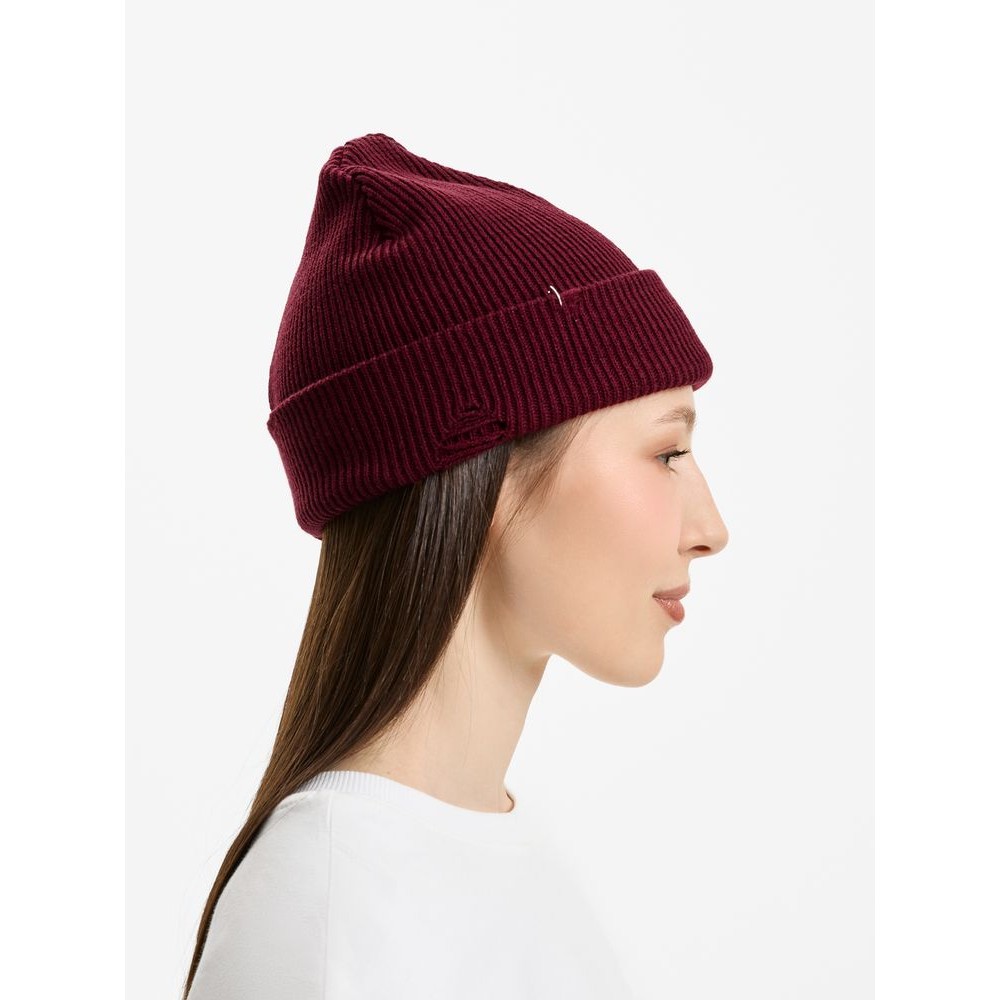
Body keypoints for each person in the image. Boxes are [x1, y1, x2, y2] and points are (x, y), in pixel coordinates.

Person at [182, 132, 729, 999]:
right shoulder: (332, 910)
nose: (711, 529)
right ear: (488, 470)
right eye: (667, 454)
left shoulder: (498, 857)